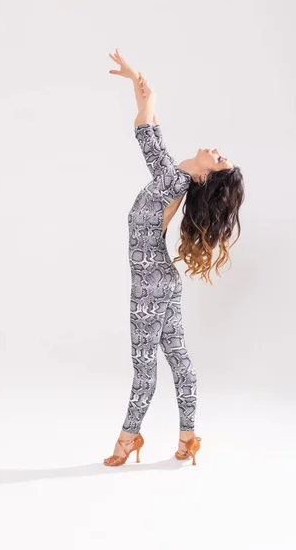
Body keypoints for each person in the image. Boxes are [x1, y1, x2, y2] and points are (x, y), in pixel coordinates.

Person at [103, 49, 245, 466]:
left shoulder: (175, 179)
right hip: (163, 281)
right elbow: (150, 133)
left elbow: (146, 128)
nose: (216, 151)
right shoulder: (175, 177)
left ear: (205, 176)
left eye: (219, 159)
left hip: (150, 286)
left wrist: (147, 93)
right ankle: (187, 441)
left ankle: (128, 440)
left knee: (145, 367)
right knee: (178, 359)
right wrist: (140, 86)